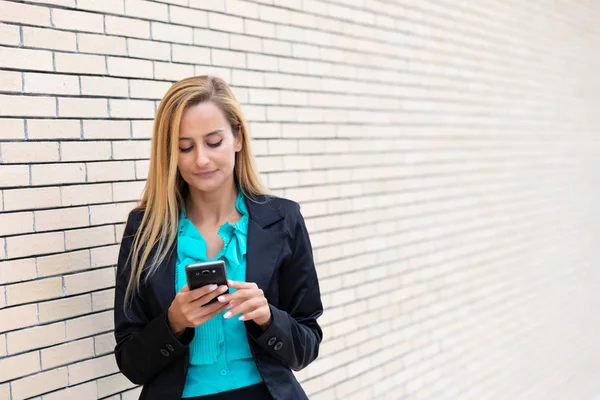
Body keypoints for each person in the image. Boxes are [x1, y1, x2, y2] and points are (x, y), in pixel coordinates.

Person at [113, 75, 324, 400]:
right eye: (185, 147)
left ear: (238, 138)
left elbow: (307, 345)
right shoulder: (144, 230)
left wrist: (268, 318)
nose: (201, 159)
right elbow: (130, 362)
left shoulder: (284, 220)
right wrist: (174, 322)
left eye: (214, 142)